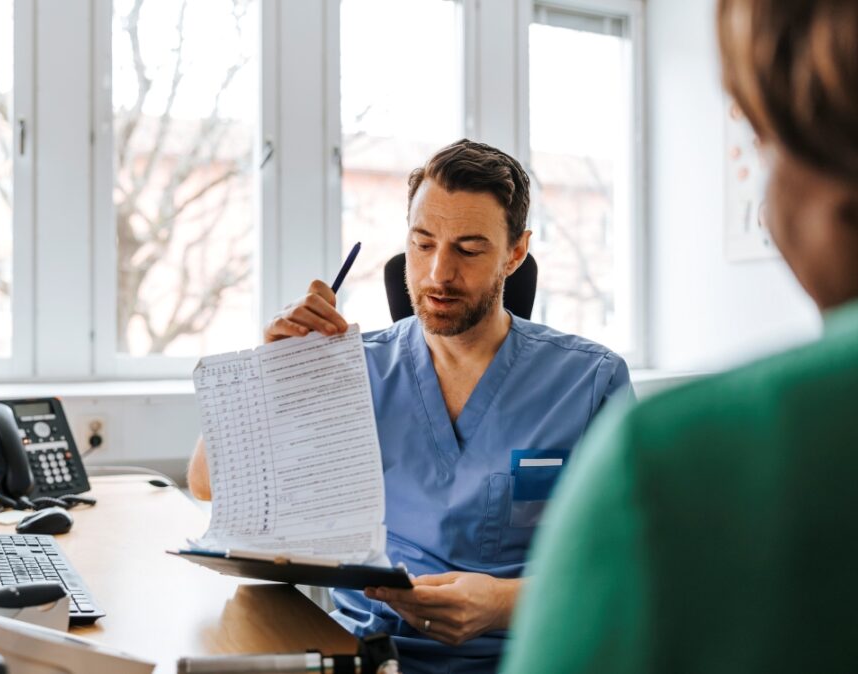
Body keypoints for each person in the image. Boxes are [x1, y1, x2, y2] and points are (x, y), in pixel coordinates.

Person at [500, 1, 858, 672]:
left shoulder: (666, 462)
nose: (438, 271)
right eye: (422, 242)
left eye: (759, 142)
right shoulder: (369, 369)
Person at [188, 139, 632, 673]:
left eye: (468, 249)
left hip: (525, 655)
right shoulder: (352, 369)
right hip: (370, 657)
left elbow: (640, 564)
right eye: (422, 244)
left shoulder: (588, 381)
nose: (438, 274)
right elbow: (209, 484)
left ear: (515, 253)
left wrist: (501, 606)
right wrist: (271, 372)